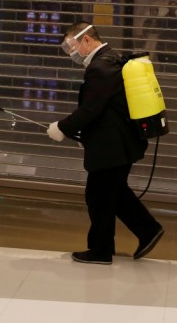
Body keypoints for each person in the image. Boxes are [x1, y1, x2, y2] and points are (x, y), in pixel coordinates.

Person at [46, 22, 165, 265]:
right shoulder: (111, 60)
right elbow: (106, 110)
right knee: (114, 193)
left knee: (98, 196)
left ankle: (101, 250)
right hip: (117, 142)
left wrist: (62, 128)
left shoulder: (101, 67)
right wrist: (85, 136)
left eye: (73, 46)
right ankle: (147, 231)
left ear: (86, 40)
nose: (73, 52)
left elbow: (91, 109)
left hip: (113, 145)